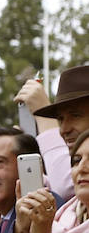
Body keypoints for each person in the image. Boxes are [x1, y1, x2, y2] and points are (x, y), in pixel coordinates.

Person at [18, 64, 89, 201]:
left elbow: (65, 185)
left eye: (75, 115)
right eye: (60, 119)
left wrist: (45, 122)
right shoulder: (67, 215)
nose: (63, 130)